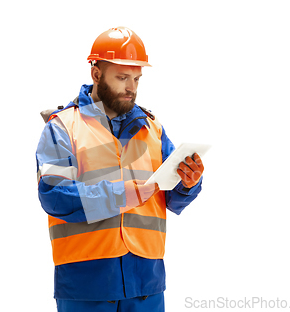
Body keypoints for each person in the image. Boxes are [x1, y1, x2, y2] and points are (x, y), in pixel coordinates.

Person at [35, 26, 205, 312]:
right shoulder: (62, 128)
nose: (132, 88)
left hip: (146, 284)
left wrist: (188, 183)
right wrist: (118, 195)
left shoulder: (153, 129)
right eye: (122, 77)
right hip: (86, 285)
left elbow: (173, 198)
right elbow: (54, 196)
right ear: (96, 74)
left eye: (137, 79)